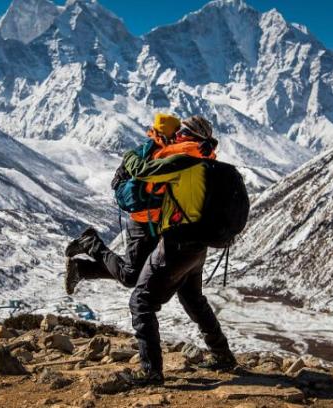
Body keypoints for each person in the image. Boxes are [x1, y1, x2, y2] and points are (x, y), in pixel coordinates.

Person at [120, 116, 236, 385]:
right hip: (198, 244)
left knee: (141, 301)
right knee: (193, 298)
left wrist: (130, 155)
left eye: (181, 131)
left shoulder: (182, 159)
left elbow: (142, 171)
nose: (177, 135)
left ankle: (151, 373)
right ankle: (223, 356)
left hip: (178, 243)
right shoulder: (208, 159)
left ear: (188, 135)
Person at [64, 113, 181, 292]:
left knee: (142, 273)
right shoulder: (160, 157)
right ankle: (90, 244)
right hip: (143, 224)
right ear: (170, 134)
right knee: (130, 276)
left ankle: (82, 269)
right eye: (177, 133)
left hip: (151, 223)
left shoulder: (149, 150)